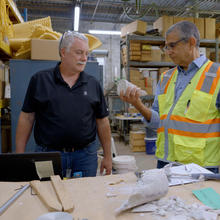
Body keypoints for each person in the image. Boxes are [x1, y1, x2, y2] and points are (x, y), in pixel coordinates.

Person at [120, 21, 220, 173]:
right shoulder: (166, 77)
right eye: (166, 47)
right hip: (165, 163)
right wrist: (138, 104)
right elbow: (157, 122)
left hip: (200, 168)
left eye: (172, 46)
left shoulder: (216, 76)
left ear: (191, 42)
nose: (168, 51)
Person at [16, 31, 112, 177]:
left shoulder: (93, 84)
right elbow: (27, 118)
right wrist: (20, 156)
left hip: (85, 156)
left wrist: (107, 156)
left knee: (85, 196)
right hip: (48, 155)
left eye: (86, 53)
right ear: (63, 52)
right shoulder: (40, 80)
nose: (84, 58)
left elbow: (102, 122)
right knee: (48, 196)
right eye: (79, 52)